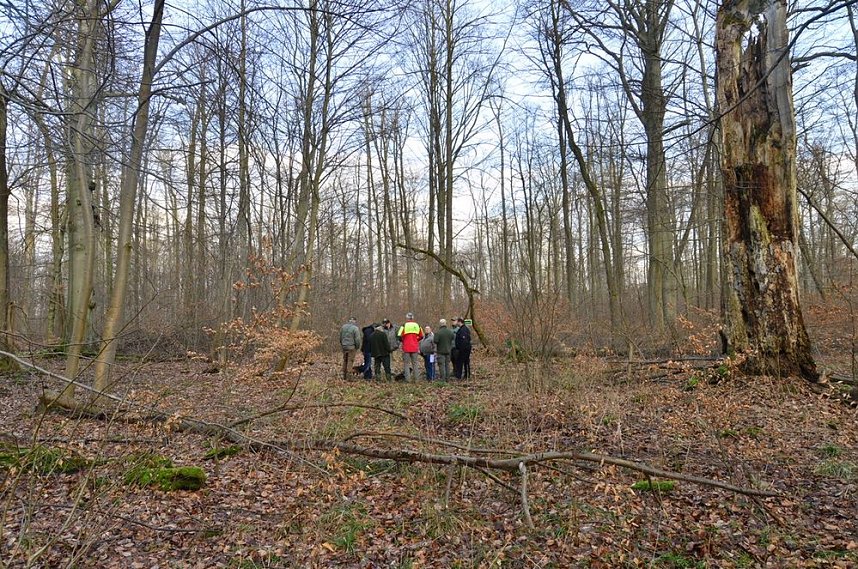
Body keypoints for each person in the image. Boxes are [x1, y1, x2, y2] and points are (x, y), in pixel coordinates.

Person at [397, 312, 423, 381]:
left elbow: (399, 335)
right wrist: (416, 340)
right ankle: (416, 379)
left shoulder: (404, 325)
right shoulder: (417, 325)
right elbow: (422, 336)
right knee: (415, 363)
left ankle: (408, 379)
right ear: (413, 318)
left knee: (406, 364)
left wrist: (404, 341)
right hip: (414, 347)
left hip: (406, 347)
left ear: (407, 318)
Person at [339, 317, 361, 381]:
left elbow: (340, 337)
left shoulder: (343, 327)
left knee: (345, 360)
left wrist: (342, 344)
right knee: (350, 361)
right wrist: (357, 347)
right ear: (354, 321)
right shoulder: (355, 328)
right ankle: (349, 377)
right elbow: (357, 339)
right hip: (351, 347)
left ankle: (344, 375)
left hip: (344, 346)